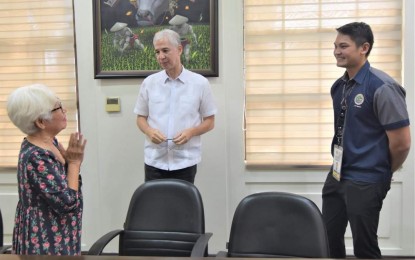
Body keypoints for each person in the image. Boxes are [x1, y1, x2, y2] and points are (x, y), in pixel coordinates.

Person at [322, 22, 411, 259]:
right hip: (338, 175)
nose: (336, 51)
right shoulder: (338, 87)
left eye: (343, 46)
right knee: (327, 240)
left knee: (365, 247)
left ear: (364, 48)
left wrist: (382, 171)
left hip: (367, 179)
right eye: (335, 46)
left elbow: (402, 143)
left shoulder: (383, 87)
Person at [7, 84, 87, 255]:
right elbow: (67, 203)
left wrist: (70, 162)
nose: (64, 110)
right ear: (41, 122)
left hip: (61, 232)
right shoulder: (36, 156)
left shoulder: (51, 142)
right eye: (58, 107)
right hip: (45, 241)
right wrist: (73, 164)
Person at [133, 29, 217, 184]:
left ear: (179, 49)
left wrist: (192, 132)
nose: (161, 57)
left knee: (183, 207)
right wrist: (149, 131)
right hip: (154, 162)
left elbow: (210, 121)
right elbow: (140, 118)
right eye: (157, 52)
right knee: (154, 207)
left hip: (185, 162)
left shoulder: (200, 83)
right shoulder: (149, 83)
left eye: (165, 50)